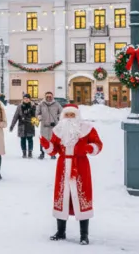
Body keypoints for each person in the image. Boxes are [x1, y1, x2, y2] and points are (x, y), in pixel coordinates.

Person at [40, 104, 102, 245]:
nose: (69, 118)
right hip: (63, 166)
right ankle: (61, 232)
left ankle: (84, 235)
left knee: (82, 196)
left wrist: (89, 147)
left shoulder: (87, 129)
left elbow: (98, 144)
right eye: (67, 115)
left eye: (72, 115)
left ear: (77, 115)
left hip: (80, 165)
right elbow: (54, 150)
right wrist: (47, 145)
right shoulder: (58, 130)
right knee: (62, 197)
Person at [10, 93, 37, 158]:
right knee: (23, 139)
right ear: (23, 99)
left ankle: (30, 152)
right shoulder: (20, 106)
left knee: (30, 139)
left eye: (27, 98)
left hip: (30, 125)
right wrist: (12, 125)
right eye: (25, 98)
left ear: (30, 99)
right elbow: (15, 116)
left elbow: (35, 116)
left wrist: (36, 123)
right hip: (22, 125)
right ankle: (24, 153)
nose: (26, 100)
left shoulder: (33, 106)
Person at [37, 91, 63, 160]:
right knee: (43, 140)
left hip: (53, 126)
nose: (48, 98)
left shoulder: (57, 104)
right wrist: (40, 117)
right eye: (47, 96)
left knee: (53, 140)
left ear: (52, 97)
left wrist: (57, 118)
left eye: (50, 96)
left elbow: (62, 113)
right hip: (44, 125)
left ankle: (53, 153)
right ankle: (42, 153)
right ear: (45, 97)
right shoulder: (41, 104)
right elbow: (37, 113)